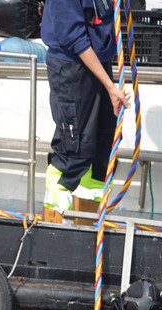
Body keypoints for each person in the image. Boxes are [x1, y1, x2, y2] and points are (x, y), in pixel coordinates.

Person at [41, 0, 133, 221]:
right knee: (75, 144)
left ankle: (89, 216)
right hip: (71, 66)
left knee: (104, 141)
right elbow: (73, 37)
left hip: (99, 62)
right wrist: (110, 87)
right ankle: (55, 215)